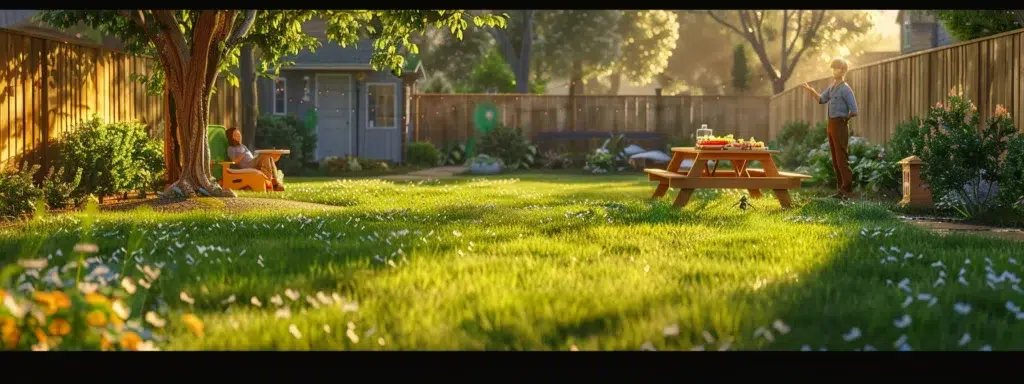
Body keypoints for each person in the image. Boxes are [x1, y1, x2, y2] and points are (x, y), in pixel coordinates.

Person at [800, 57, 859, 199]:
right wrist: (811, 90)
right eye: (833, 68)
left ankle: (847, 191)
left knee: (841, 159)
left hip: (840, 124)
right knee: (834, 159)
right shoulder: (832, 86)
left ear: (843, 70)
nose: (834, 70)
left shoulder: (846, 89)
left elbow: (854, 110)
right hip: (831, 124)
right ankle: (840, 191)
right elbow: (821, 99)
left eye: (837, 68)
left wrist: (844, 119)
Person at [225, 127, 285, 191]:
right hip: (247, 166)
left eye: (239, 134)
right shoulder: (231, 148)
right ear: (231, 137)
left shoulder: (242, 146)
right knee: (264, 154)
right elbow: (234, 161)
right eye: (236, 135)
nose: (239, 136)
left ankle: (275, 182)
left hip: (252, 162)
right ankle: (271, 183)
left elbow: (252, 157)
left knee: (268, 156)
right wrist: (243, 154)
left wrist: (274, 158)